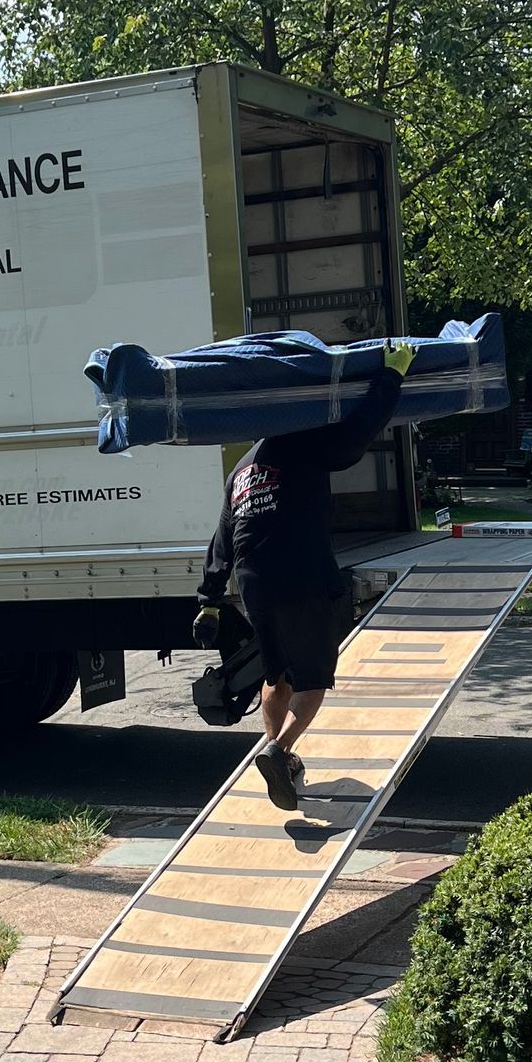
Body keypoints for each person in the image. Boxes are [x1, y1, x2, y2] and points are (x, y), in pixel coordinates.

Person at [193, 341, 417, 808]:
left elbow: (222, 532)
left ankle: (282, 764)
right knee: (314, 681)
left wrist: (210, 598)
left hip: (255, 584)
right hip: (303, 576)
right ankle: (280, 748)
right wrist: (391, 378)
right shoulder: (304, 440)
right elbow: (356, 434)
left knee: (276, 675)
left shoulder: (243, 467)